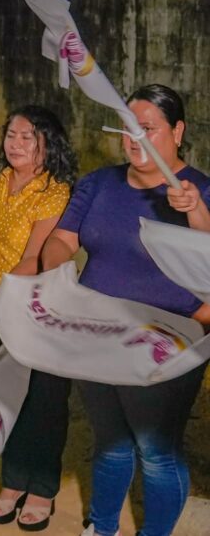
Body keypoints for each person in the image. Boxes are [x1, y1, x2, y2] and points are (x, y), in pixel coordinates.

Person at [37, 84, 210, 536]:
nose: (136, 139)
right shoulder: (98, 184)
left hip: (167, 344)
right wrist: (53, 275)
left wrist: (195, 211)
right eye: (128, 128)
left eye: (148, 128)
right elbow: (62, 239)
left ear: (177, 131)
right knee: (111, 440)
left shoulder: (199, 191)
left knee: (156, 450)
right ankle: (103, 526)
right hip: (95, 334)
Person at [0, 106, 77, 531]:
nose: (15, 144)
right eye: (11, 135)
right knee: (11, 394)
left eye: (28, 137)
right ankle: (14, 481)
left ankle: (42, 488)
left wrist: (2, 291)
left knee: (46, 401)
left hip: (43, 308)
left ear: (48, 144)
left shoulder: (55, 192)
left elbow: (35, 256)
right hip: (5, 310)